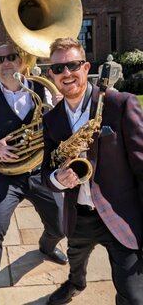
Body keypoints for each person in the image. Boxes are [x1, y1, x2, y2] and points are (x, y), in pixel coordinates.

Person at [41, 37, 143, 305]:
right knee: (76, 257)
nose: (66, 73)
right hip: (79, 215)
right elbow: (46, 170)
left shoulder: (120, 104)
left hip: (120, 214)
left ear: (86, 67)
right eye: (58, 68)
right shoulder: (50, 119)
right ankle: (76, 282)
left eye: (73, 65)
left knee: (133, 296)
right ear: (51, 74)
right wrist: (57, 179)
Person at [0, 43, 67, 305]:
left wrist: (60, 107)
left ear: (22, 61)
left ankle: (47, 245)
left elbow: (60, 128)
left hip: (40, 173)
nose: (7, 62)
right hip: (7, 177)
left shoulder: (42, 89)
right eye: (1, 59)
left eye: (12, 57)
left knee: (61, 224)